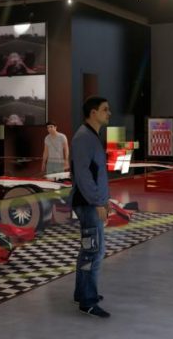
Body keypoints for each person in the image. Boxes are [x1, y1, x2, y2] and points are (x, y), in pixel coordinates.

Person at [67, 96, 111, 318]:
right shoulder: (84, 138)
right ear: (93, 113)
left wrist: (104, 199)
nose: (109, 113)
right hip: (87, 204)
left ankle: (82, 293)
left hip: (92, 202)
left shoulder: (91, 136)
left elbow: (97, 174)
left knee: (91, 250)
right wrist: (97, 201)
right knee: (92, 252)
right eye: (105, 109)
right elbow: (83, 175)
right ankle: (88, 301)